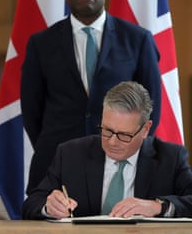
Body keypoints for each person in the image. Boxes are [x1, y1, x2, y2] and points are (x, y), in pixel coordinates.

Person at [20, 0, 162, 193]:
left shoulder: (137, 39)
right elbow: (31, 109)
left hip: (120, 162)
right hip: (55, 161)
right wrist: (57, 146)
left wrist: (129, 147)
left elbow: (152, 104)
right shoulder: (41, 43)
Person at [22, 81, 192, 220]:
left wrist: (157, 207)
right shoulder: (70, 153)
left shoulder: (170, 157)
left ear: (146, 129)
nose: (112, 142)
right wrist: (48, 207)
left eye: (124, 135)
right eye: (107, 130)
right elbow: (31, 204)